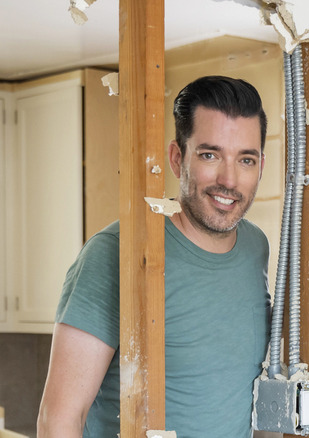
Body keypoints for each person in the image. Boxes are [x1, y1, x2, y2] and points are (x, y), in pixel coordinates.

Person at [36, 75, 271, 438]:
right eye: (210, 155)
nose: (229, 179)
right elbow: (60, 419)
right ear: (177, 159)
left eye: (246, 160)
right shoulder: (117, 252)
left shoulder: (256, 248)